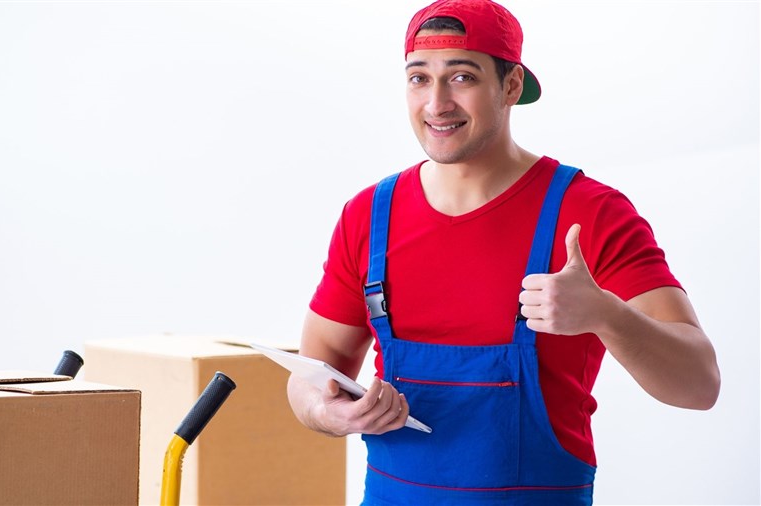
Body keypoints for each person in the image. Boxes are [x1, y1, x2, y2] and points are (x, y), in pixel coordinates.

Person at [285, 0, 721, 504]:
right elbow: (310, 375)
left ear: (511, 86)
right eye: (419, 78)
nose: (437, 104)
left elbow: (699, 385)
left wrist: (607, 315)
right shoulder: (368, 216)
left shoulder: (590, 213)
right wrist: (327, 413)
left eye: (462, 77)